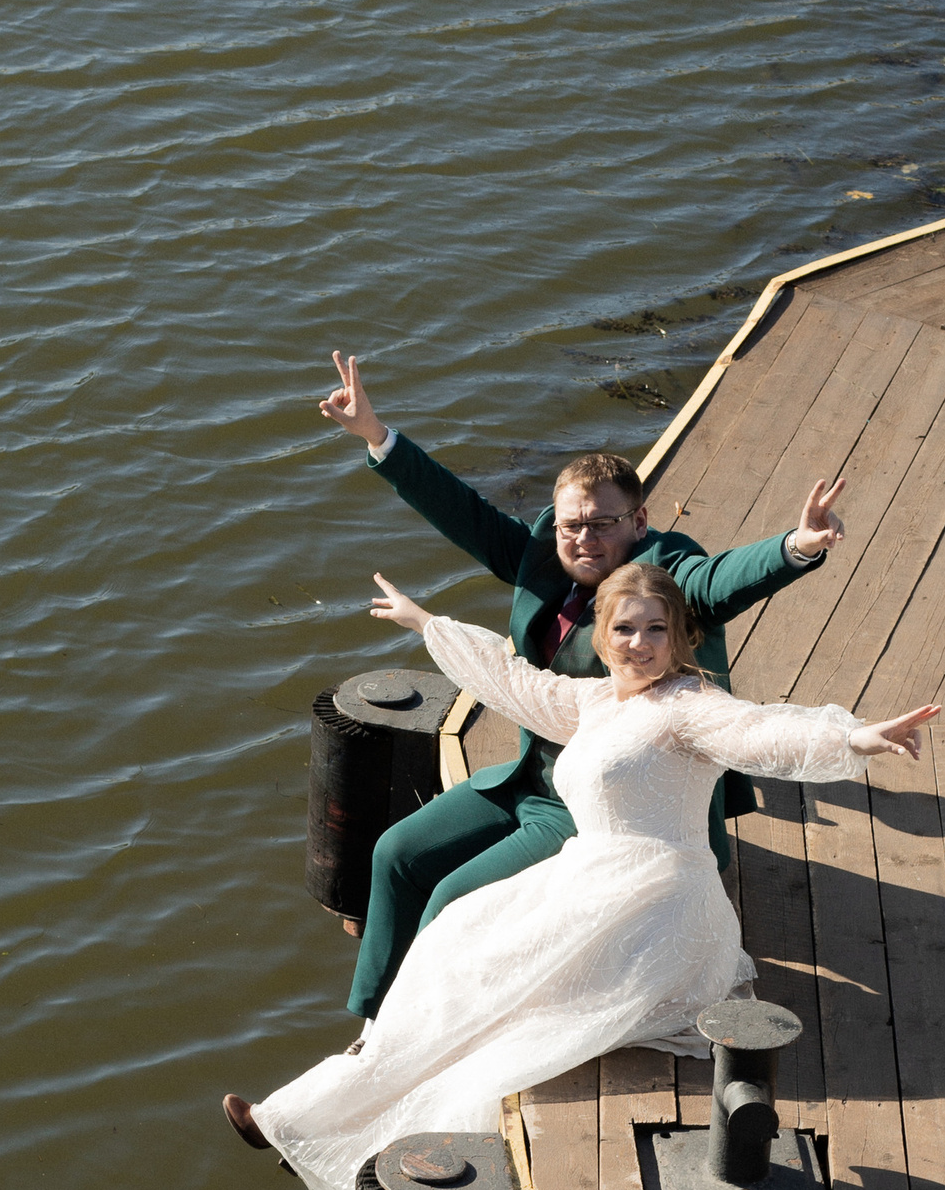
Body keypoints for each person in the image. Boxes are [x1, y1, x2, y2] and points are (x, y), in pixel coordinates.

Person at [223, 559, 938, 1190]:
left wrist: (854, 738)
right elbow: (515, 682)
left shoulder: (690, 705)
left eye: (656, 629)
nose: (639, 643)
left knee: (508, 1025)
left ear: (678, 636)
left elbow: (760, 732)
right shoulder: (597, 702)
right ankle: (305, 1117)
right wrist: (427, 623)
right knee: (455, 943)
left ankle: (321, 1125)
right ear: (602, 636)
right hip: (592, 874)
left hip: (661, 900)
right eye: (625, 629)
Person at [319, 351, 849, 1020]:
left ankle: (420, 1031)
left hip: (604, 802)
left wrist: (797, 546)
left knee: (454, 897)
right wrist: (376, 435)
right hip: (533, 774)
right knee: (395, 853)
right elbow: (464, 513)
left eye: (603, 523)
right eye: (572, 524)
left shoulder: (663, 577)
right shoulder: (546, 555)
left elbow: (720, 581)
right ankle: (374, 1019)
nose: (585, 538)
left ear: (638, 522)